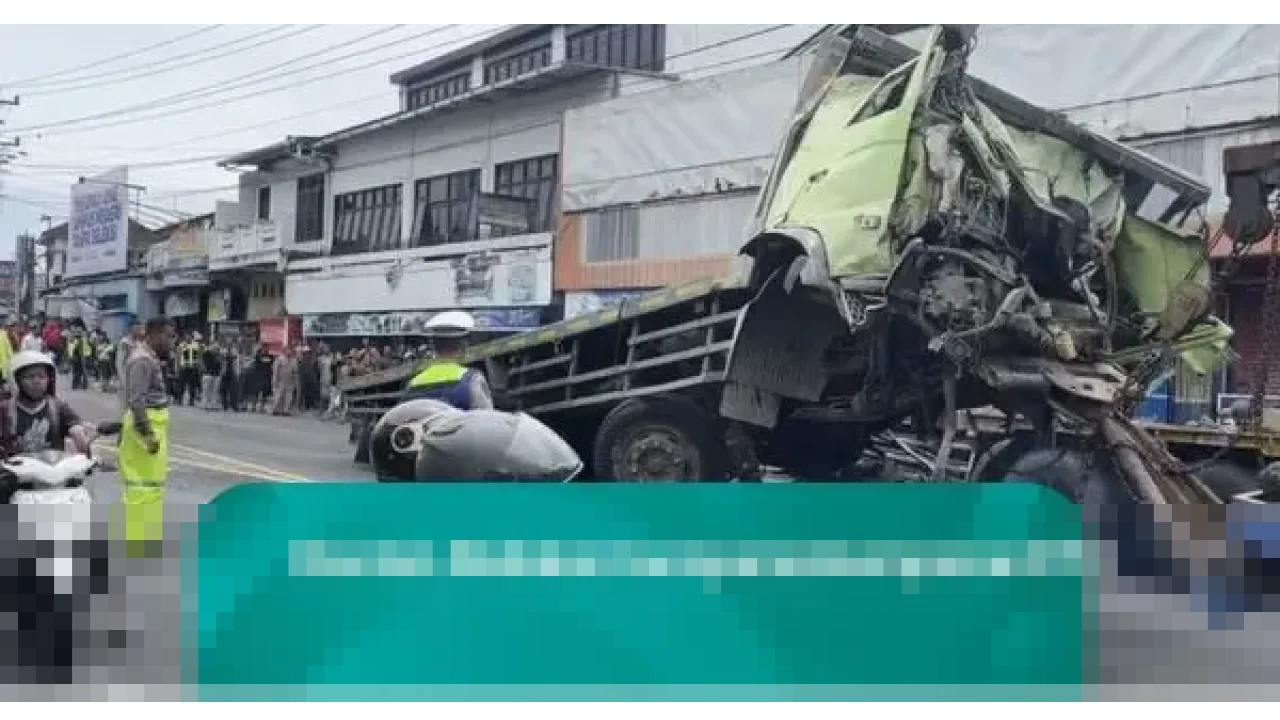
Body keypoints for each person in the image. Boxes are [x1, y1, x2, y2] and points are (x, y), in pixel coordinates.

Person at [119, 317, 177, 557]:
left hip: (153, 425)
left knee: (151, 486)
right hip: (147, 429)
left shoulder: (148, 357)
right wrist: (148, 433)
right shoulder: (142, 359)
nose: (172, 341)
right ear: (153, 335)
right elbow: (136, 400)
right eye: (168, 335)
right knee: (142, 488)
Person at [0, 351, 95, 458]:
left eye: (42, 376)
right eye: (30, 377)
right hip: (13, 472)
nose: (37, 381)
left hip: (53, 471)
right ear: (16, 380)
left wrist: (79, 432)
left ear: (50, 380)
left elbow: (74, 424)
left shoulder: (58, 407)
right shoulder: (5, 409)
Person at [403, 311, 493, 410]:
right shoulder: (473, 380)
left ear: (433, 346)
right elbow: (486, 419)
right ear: (464, 345)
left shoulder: (413, 384)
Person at [176, 332, 203, 406]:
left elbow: (200, 356)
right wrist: (177, 368)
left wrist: (200, 367)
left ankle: (191, 400)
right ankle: (179, 400)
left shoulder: (196, 345)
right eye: (186, 336)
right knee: (181, 385)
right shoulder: (181, 345)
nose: (188, 338)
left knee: (192, 385)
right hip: (183, 368)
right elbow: (178, 357)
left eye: (189, 336)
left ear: (192, 337)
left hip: (193, 368)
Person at [200, 341, 224, 411]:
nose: (216, 350)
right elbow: (202, 362)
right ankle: (204, 404)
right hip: (207, 374)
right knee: (206, 390)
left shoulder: (219, 355)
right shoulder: (206, 353)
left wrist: (221, 371)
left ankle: (213, 404)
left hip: (216, 374)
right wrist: (203, 369)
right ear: (211, 347)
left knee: (215, 390)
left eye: (217, 348)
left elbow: (222, 363)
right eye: (215, 348)